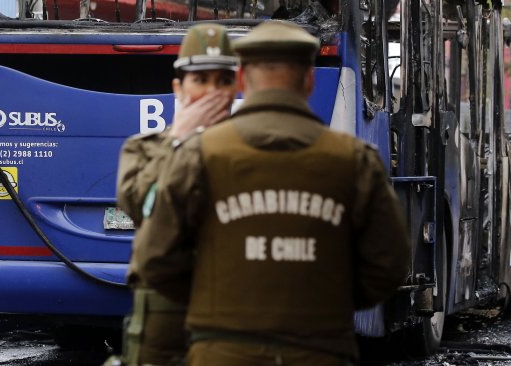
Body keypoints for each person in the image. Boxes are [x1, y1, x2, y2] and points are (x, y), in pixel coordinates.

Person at [134, 20, 411, 365]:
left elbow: (153, 260)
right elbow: (390, 266)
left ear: (240, 80)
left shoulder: (197, 155)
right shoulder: (355, 161)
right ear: (309, 81)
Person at [116, 23, 238, 366]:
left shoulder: (250, 151)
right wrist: (179, 140)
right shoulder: (144, 149)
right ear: (178, 88)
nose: (212, 92)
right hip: (163, 309)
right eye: (200, 81)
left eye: (223, 81)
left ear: (236, 88)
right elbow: (140, 205)